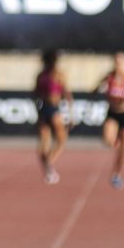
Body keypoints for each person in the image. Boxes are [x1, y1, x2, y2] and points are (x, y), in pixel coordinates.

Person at [93, 52, 124, 190]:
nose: (118, 65)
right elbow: (94, 90)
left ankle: (116, 174)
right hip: (112, 113)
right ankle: (116, 143)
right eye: (116, 62)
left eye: (121, 62)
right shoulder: (109, 76)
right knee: (107, 140)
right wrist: (101, 88)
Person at [33, 50, 72, 184]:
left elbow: (35, 95)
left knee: (45, 143)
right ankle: (49, 164)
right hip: (52, 110)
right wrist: (71, 114)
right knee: (60, 140)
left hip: (45, 109)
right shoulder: (57, 75)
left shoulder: (41, 75)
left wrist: (38, 112)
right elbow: (67, 95)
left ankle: (48, 168)